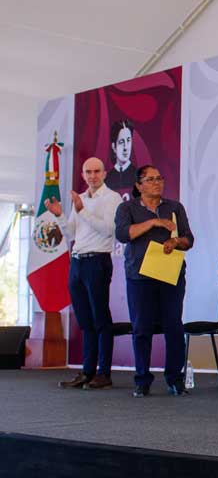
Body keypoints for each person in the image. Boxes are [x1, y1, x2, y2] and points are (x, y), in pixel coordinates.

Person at [114, 165, 194, 397]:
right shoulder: (126, 207)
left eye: (159, 178)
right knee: (141, 328)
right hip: (139, 276)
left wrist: (176, 242)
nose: (157, 183)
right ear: (138, 186)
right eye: (150, 179)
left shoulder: (174, 207)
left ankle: (174, 379)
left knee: (174, 326)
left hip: (170, 274)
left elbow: (189, 239)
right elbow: (122, 234)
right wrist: (153, 223)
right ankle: (142, 380)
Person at [49, 157, 123, 390]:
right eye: (88, 172)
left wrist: (83, 212)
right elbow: (71, 233)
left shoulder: (112, 198)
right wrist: (61, 215)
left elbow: (110, 229)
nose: (92, 176)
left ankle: (104, 373)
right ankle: (86, 372)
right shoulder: (79, 199)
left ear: (104, 173)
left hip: (98, 261)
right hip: (78, 262)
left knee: (101, 319)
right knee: (85, 320)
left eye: (97, 171)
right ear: (82, 175)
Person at [104, 120, 137, 193]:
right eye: (121, 142)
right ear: (113, 146)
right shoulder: (106, 180)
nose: (126, 147)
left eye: (128, 141)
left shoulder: (138, 177)